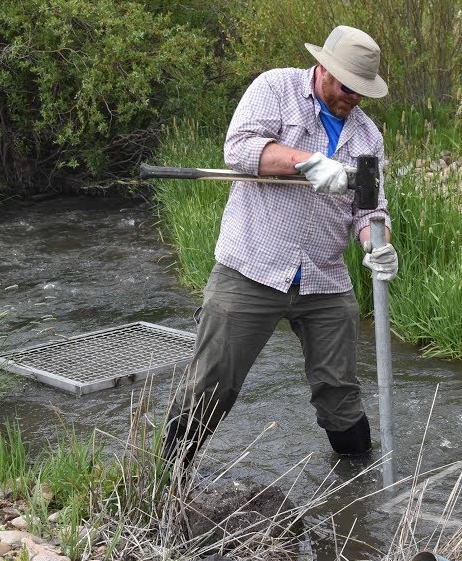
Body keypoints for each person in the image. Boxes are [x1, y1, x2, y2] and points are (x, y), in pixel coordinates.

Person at [159, 25, 398, 468]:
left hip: (325, 277)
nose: (354, 99)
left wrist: (376, 244)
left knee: (339, 391)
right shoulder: (274, 88)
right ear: (324, 69)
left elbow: (369, 209)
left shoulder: (367, 137)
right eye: (349, 87)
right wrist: (304, 162)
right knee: (213, 383)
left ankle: (358, 488)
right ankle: (162, 483)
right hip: (252, 266)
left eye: (363, 93)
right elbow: (240, 150)